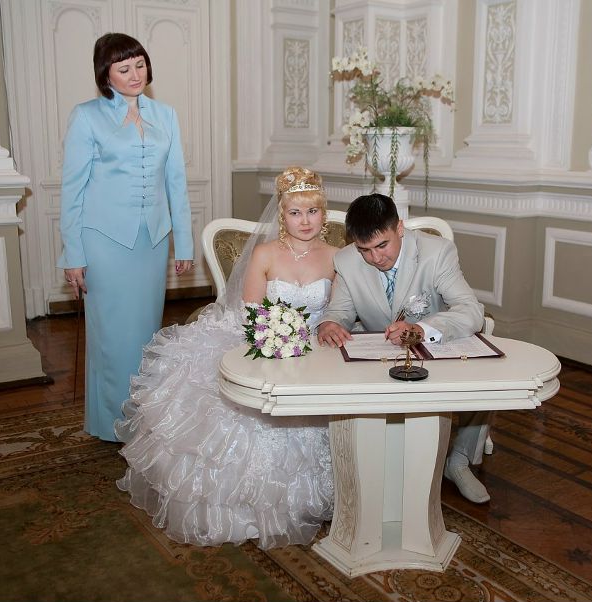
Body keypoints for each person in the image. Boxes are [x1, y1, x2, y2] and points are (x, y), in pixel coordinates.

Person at [115, 166, 337, 549]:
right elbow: (250, 312)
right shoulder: (265, 254)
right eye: (295, 212)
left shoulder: (337, 256)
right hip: (265, 342)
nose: (305, 221)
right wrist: (277, 338)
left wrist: (320, 334)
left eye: (312, 211)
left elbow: (341, 311)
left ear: (323, 214)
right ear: (282, 215)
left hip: (317, 349)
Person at [57, 33, 195, 442]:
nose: (135, 74)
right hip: (103, 241)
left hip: (152, 242)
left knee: (144, 334)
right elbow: (72, 190)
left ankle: (140, 415)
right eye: (124, 68)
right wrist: (73, 254)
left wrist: (184, 243)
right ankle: (112, 423)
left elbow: (176, 183)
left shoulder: (165, 115)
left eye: (140, 64)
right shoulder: (87, 117)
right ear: (106, 75)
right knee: (112, 337)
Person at [317, 193, 492, 504]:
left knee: (484, 372)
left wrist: (422, 329)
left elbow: (471, 311)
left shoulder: (436, 252)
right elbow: (339, 312)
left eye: (382, 245)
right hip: (380, 358)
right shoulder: (346, 260)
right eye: (364, 250)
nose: (375, 258)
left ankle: (459, 460)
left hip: (437, 350)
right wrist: (329, 323)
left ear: (399, 228)